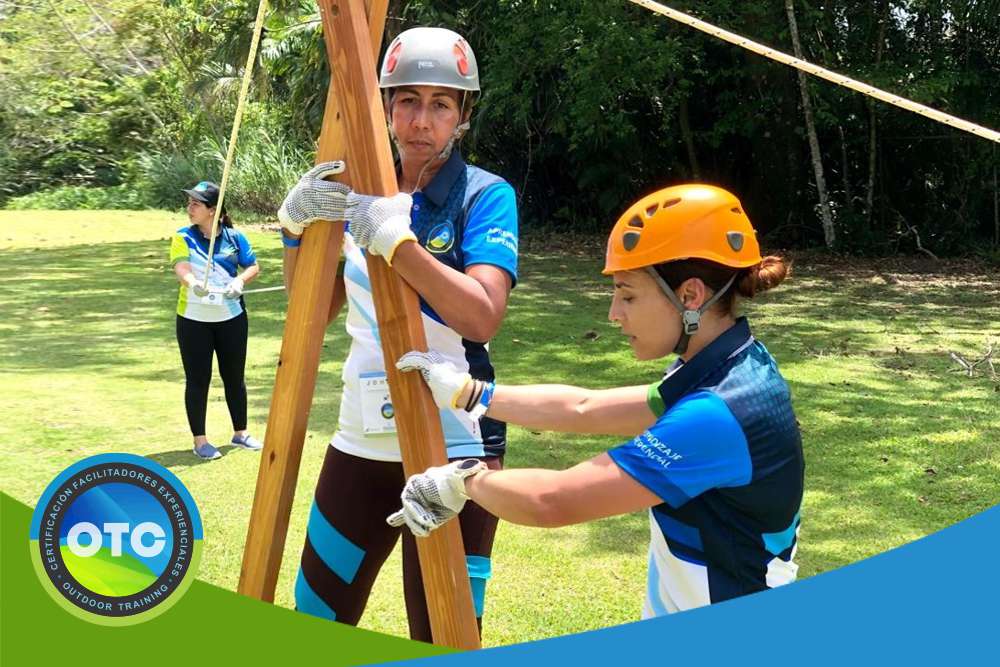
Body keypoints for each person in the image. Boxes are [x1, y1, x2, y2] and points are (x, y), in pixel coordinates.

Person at [390, 184, 804, 616]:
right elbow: (584, 407)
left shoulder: (716, 414)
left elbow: (554, 499)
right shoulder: (732, 365)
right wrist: (470, 392)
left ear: (691, 296)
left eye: (627, 295)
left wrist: (463, 483)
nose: (613, 313)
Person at [278, 28, 519, 639]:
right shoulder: (358, 188)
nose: (421, 120)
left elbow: (481, 315)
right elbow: (313, 306)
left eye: (441, 104)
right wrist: (294, 229)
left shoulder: (484, 195)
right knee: (315, 617)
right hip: (360, 436)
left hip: (457, 443)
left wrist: (395, 242)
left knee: (444, 635)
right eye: (407, 100)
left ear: (463, 115)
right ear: (385, 107)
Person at [170, 180, 263, 460]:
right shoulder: (183, 236)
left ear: (213, 210)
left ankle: (241, 434)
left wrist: (239, 280)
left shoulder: (235, 238)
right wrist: (192, 282)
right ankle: (200, 441)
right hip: (193, 319)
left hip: (231, 317)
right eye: (190, 203)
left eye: (196, 203)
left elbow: (253, 266)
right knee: (198, 379)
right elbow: (181, 266)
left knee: (234, 376)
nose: (190, 208)